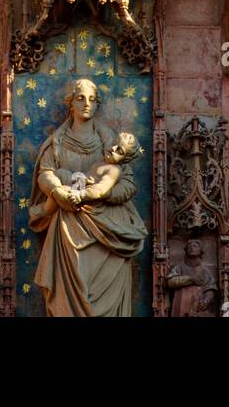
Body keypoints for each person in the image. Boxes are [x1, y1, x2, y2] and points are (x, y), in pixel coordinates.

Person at [29, 79, 147, 317]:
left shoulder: (110, 140)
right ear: (70, 103)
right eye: (80, 98)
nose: (86, 104)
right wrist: (58, 191)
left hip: (110, 229)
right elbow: (45, 174)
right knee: (71, 294)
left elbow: (128, 182)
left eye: (92, 99)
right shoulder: (56, 143)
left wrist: (103, 194)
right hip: (69, 226)